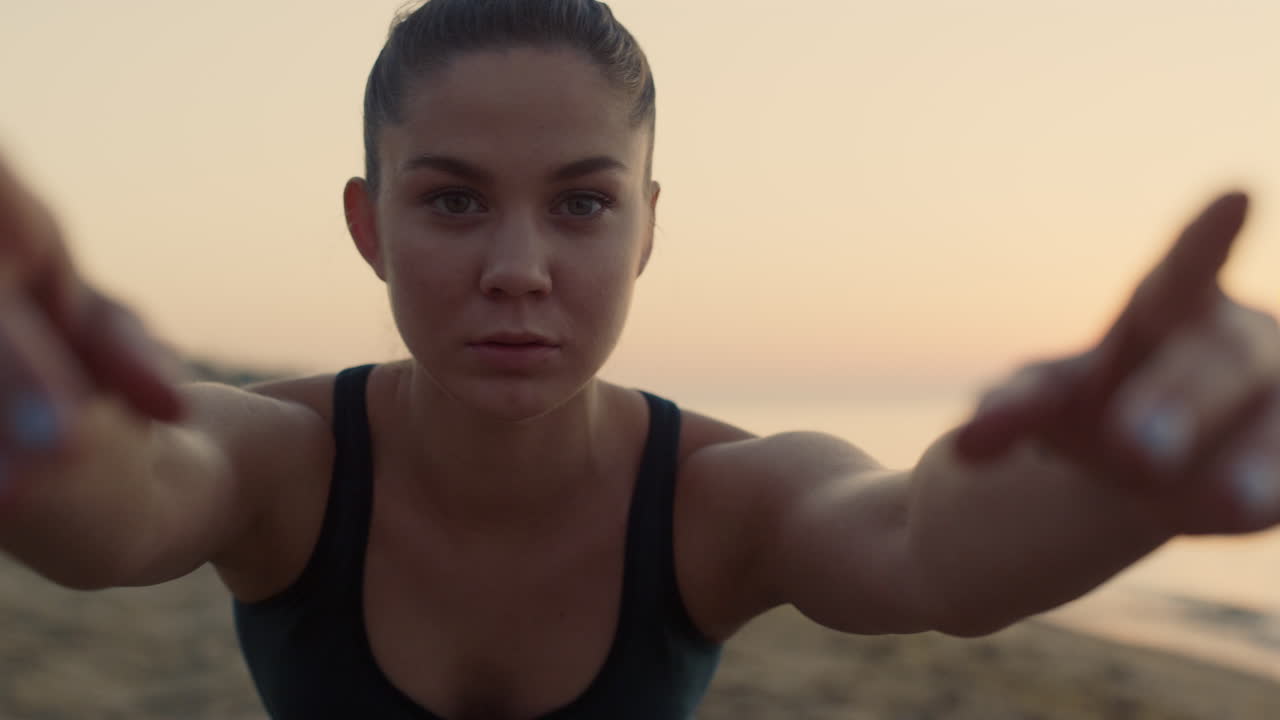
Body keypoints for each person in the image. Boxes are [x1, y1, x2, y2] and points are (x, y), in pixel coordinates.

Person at [0, 0, 1277, 717]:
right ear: (364, 224)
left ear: (649, 223)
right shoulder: (283, 462)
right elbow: (126, 501)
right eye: (450, 200)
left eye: (581, 203)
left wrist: (1113, 482)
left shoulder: (721, 500)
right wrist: (34, 421)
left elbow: (918, 545)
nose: (518, 263)